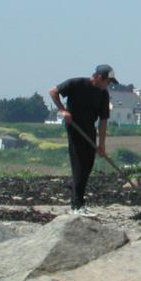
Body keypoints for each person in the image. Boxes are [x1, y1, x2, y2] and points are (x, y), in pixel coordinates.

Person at [49, 64, 116, 214]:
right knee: (79, 164)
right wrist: (63, 111)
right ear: (99, 77)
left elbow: (103, 120)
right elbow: (53, 92)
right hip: (74, 128)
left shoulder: (103, 94)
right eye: (108, 82)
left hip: (89, 129)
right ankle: (77, 205)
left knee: (87, 166)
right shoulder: (77, 83)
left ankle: (73, 187)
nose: (109, 85)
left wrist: (102, 144)